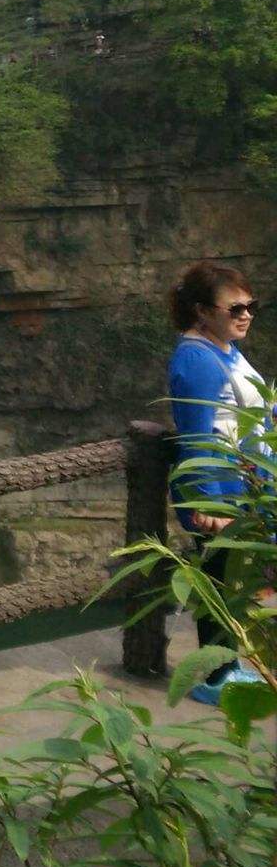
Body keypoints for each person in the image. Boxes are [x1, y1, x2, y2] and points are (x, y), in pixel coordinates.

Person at [166, 260, 266, 705]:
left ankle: (228, 666)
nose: (245, 314)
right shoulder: (196, 359)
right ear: (202, 312)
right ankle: (213, 678)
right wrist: (206, 503)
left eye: (251, 306)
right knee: (217, 583)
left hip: (243, 487)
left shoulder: (225, 348)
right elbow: (196, 434)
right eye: (235, 308)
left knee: (235, 581)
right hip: (219, 492)